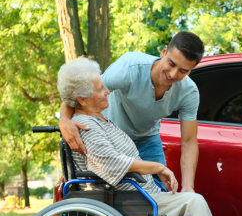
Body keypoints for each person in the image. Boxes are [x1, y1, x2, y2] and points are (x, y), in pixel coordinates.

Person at [57, 57, 226, 216]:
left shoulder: (100, 121)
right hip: (129, 199)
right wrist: (158, 167)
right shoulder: (88, 127)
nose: (108, 91)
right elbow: (111, 164)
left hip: (138, 195)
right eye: (101, 89)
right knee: (193, 202)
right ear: (82, 99)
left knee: (192, 204)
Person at [59, 31, 204, 192]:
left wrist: (189, 187)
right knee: (115, 194)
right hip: (112, 138)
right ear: (164, 52)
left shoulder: (189, 92)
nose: (173, 74)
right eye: (171, 63)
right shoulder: (129, 67)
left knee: (162, 194)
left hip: (147, 139)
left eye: (183, 71)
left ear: (191, 70)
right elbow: (83, 92)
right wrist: (64, 121)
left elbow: (189, 142)